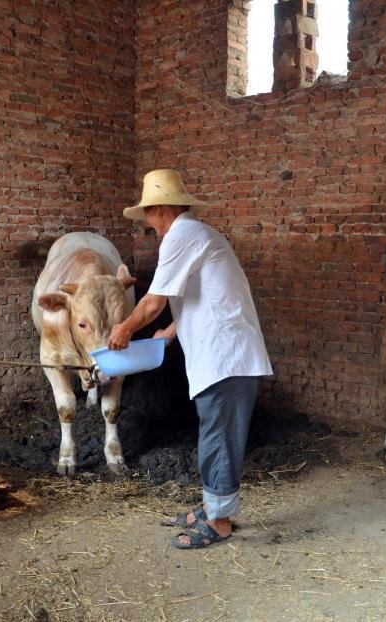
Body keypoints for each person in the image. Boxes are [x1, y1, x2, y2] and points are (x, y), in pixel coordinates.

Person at [108, 168, 272, 549]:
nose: (148, 223)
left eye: (147, 214)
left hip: (228, 359)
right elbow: (202, 296)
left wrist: (125, 329)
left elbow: (152, 302)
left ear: (160, 209)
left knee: (218, 438)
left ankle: (219, 524)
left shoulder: (182, 235)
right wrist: (166, 335)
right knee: (214, 434)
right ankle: (213, 507)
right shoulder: (198, 235)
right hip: (225, 356)